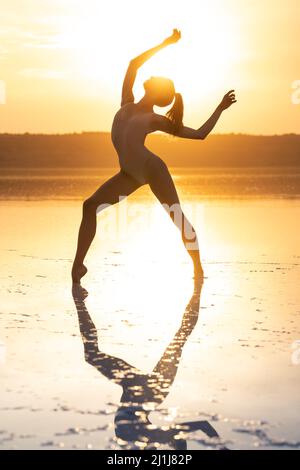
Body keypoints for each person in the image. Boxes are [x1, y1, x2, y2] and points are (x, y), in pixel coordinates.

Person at [72, 29, 237, 285]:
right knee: (89, 206)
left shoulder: (154, 119)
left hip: (152, 169)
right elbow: (133, 65)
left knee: (176, 215)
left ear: (156, 90)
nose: (149, 75)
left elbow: (200, 134)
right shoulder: (126, 102)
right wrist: (165, 43)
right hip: (128, 174)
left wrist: (220, 108)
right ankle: (78, 266)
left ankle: (198, 269)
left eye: (156, 77)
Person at [72, 280, 226, 450]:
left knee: (180, 337)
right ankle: (198, 285)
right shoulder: (151, 436)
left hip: (143, 388)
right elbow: (199, 428)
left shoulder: (145, 439)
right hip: (148, 390)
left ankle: (198, 285)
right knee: (179, 337)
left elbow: (193, 432)